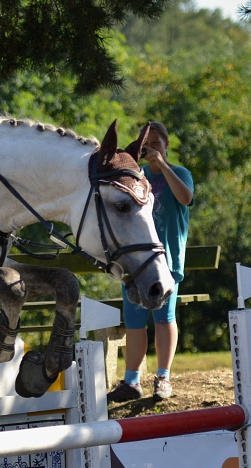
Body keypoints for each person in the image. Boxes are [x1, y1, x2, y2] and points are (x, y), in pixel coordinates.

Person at [107, 121, 194, 402]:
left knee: (164, 318)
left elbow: (186, 197)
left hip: (166, 264)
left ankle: (163, 377)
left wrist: (164, 167)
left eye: (156, 144)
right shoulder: (137, 176)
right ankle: (131, 380)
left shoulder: (179, 173)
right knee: (134, 322)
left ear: (166, 145)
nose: (151, 149)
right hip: (135, 263)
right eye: (146, 146)